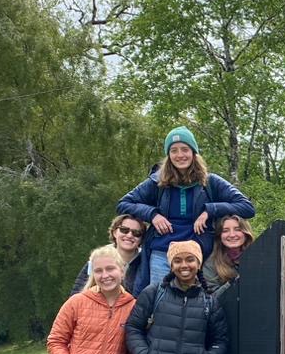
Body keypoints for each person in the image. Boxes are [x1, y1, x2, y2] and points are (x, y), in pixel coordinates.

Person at [117, 126, 255, 293]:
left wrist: (210, 210)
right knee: (159, 301)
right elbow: (124, 203)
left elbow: (247, 208)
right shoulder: (156, 182)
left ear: (193, 152)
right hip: (162, 252)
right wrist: (153, 214)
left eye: (185, 149)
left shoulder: (211, 182)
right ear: (168, 155)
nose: (180, 155)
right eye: (174, 150)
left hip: (198, 254)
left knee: (195, 304)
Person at [47, 245, 137, 354]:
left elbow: (134, 347)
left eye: (110, 269)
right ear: (93, 274)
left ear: (122, 270)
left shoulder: (134, 307)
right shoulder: (77, 302)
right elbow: (55, 340)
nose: (105, 275)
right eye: (99, 271)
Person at [70, 216, 146, 296]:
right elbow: (77, 291)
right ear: (115, 232)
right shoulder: (98, 257)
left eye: (136, 233)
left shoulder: (146, 263)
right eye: (124, 230)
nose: (130, 235)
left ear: (142, 238)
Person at [202, 215, 254, 291]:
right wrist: (234, 282)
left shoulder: (259, 256)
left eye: (237, 229)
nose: (232, 235)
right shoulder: (211, 263)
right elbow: (211, 298)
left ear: (246, 233)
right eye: (225, 231)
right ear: (220, 235)